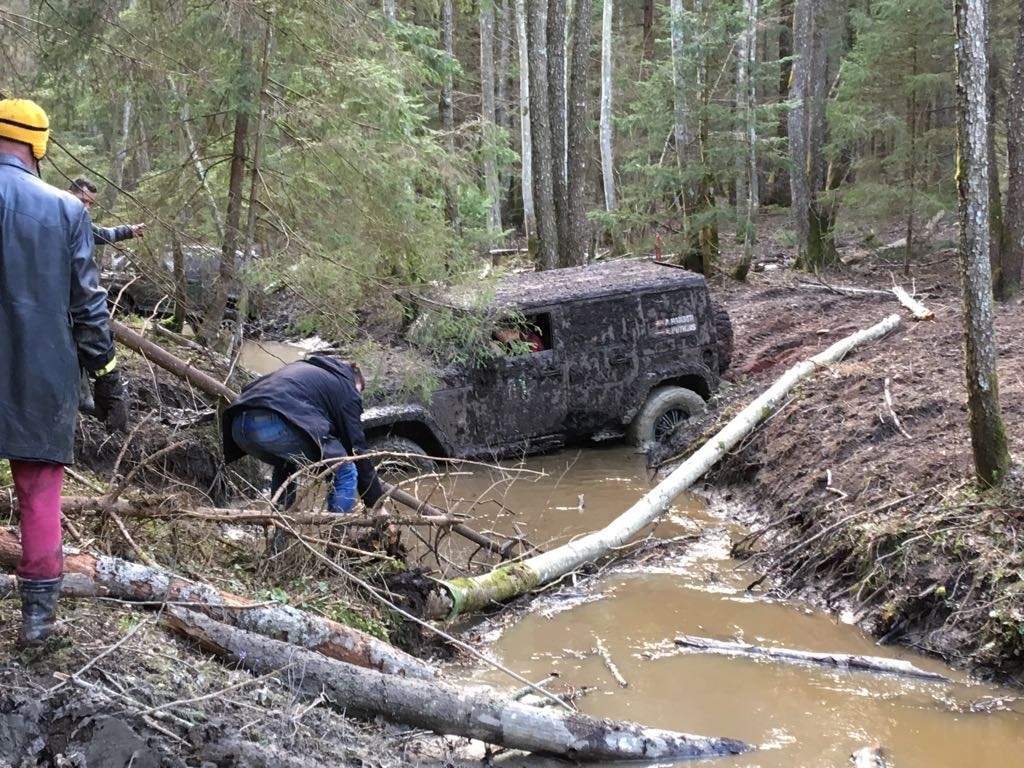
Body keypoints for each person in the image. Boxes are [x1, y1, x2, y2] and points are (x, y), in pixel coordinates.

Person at [0, 98, 129, 645]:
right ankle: (36, 623)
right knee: (38, 490)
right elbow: (88, 305)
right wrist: (107, 377)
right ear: (39, 144)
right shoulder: (65, 211)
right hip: (42, 372)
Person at [220, 355, 384, 515]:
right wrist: (377, 504)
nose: (358, 398)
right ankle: (337, 533)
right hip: (272, 424)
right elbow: (357, 450)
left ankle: (280, 530)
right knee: (346, 468)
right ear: (356, 381)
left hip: (238, 427)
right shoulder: (348, 388)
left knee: (286, 464)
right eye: (359, 392)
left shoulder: (309, 370)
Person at [68, 178, 146, 249]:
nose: (87, 207)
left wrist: (129, 231)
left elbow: (100, 235)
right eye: (83, 201)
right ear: (69, 194)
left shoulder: (80, 221)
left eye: (90, 203)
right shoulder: (57, 215)